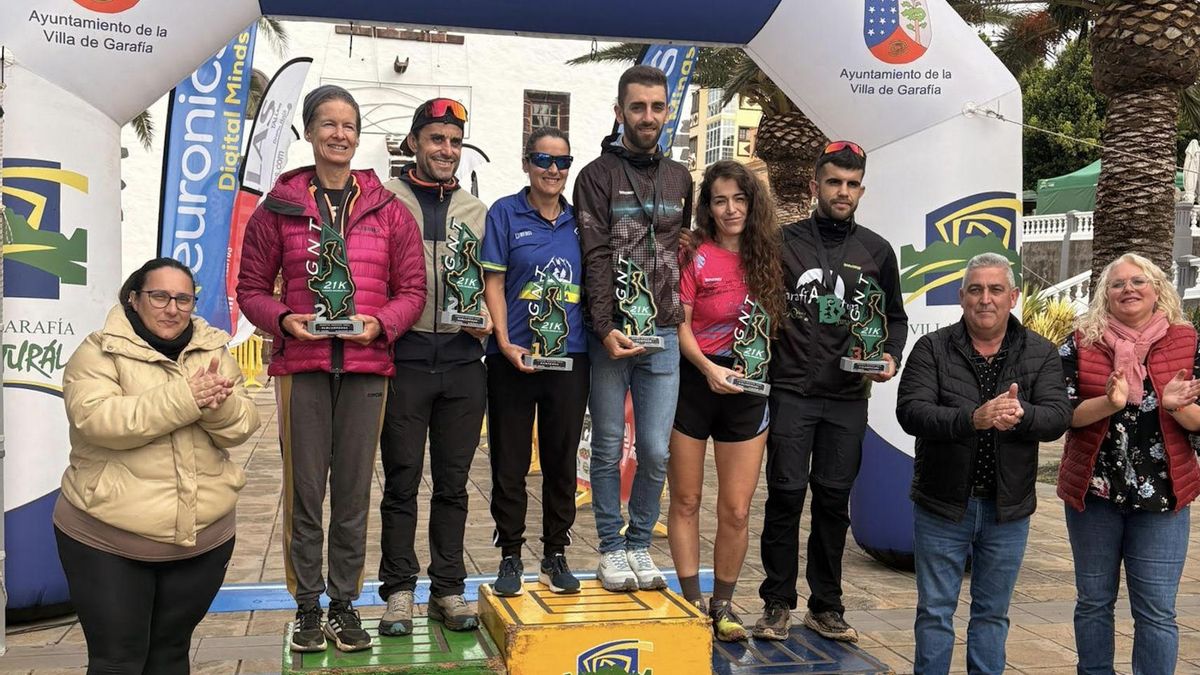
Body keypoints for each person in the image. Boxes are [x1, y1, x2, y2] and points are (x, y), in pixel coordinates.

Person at [238, 85, 426, 653]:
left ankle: (344, 603)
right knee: (303, 494)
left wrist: (382, 324)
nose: (339, 134)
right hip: (303, 363)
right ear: (309, 131)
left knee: (351, 495)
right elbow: (249, 288)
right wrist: (283, 319)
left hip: (368, 364)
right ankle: (305, 607)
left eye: (348, 125)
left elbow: (412, 289)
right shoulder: (280, 207)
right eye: (328, 124)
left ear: (358, 134)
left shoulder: (387, 210)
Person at [55, 257, 260, 674]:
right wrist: (188, 398)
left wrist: (215, 407)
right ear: (134, 298)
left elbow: (241, 425)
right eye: (160, 296)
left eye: (183, 299)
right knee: (118, 661)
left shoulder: (212, 348)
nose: (172, 308)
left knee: (171, 655)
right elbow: (100, 422)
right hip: (108, 541)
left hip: (204, 540)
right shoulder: (98, 351)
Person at [754, 141, 907, 643]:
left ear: (862, 189)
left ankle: (827, 606)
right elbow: (757, 309)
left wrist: (888, 355)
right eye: (834, 182)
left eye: (852, 183)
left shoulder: (877, 251)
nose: (843, 192)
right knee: (786, 495)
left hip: (847, 397)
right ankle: (777, 602)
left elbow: (896, 319)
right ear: (815, 185)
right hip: (792, 390)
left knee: (833, 501)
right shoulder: (782, 243)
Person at [896, 252, 1071, 674]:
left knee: (992, 615)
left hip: (1006, 511)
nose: (985, 299)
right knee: (935, 613)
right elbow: (911, 412)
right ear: (961, 297)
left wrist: (1022, 414)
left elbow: (1058, 417)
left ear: (1013, 297)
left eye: (995, 290)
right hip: (942, 507)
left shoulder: (1041, 352)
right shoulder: (931, 348)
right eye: (976, 289)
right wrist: (972, 419)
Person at [575, 64, 693, 592]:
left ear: (668, 111)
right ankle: (610, 548)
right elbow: (593, 255)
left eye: (657, 107)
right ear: (619, 111)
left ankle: (642, 544)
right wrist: (603, 328)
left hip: (664, 332)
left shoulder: (680, 178)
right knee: (604, 447)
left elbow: (684, 247)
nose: (648, 117)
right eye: (637, 107)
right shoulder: (595, 176)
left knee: (655, 450)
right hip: (612, 336)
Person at [378, 98, 492, 635]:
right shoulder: (383, 202)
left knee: (454, 483)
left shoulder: (477, 210)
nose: (446, 150)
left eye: (453, 141)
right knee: (402, 481)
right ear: (414, 143)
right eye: (436, 139)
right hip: (405, 358)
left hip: (465, 363)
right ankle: (399, 590)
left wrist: (491, 321)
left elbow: (496, 284)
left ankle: (448, 588)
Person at [1058, 253, 1200, 674]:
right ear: (1105, 294)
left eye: (1139, 281)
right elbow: (1063, 414)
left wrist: (1175, 408)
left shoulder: (1188, 342)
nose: (1128, 290)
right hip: (1094, 494)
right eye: (1117, 284)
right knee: (1094, 602)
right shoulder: (1080, 342)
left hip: (1164, 498)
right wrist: (1109, 402)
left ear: (1158, 289)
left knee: (1156, 611)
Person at [668, 160, 785, 641]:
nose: (731, 208)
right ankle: (693, 600)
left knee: (736, 510)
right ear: (708, 207)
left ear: (752, 203)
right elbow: (679, 324)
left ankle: (724, 605)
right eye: (720, 200)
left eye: (740, 198)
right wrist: (708, 368)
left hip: (749, 389)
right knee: (687, 499)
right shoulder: (693, 255)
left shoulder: (773, 256)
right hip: (697, 382)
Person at [480, 128, 588, 597]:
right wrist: (503, 341)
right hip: (514, 358)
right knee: (510, 461)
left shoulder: (581, 221)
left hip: (571, 357)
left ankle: (555, 554)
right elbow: (494, 284)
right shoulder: (505, 212)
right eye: (543, 159)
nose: (553, 170)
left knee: (563, 460)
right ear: (527, 163)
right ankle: (510, 555)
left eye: (562, 162)